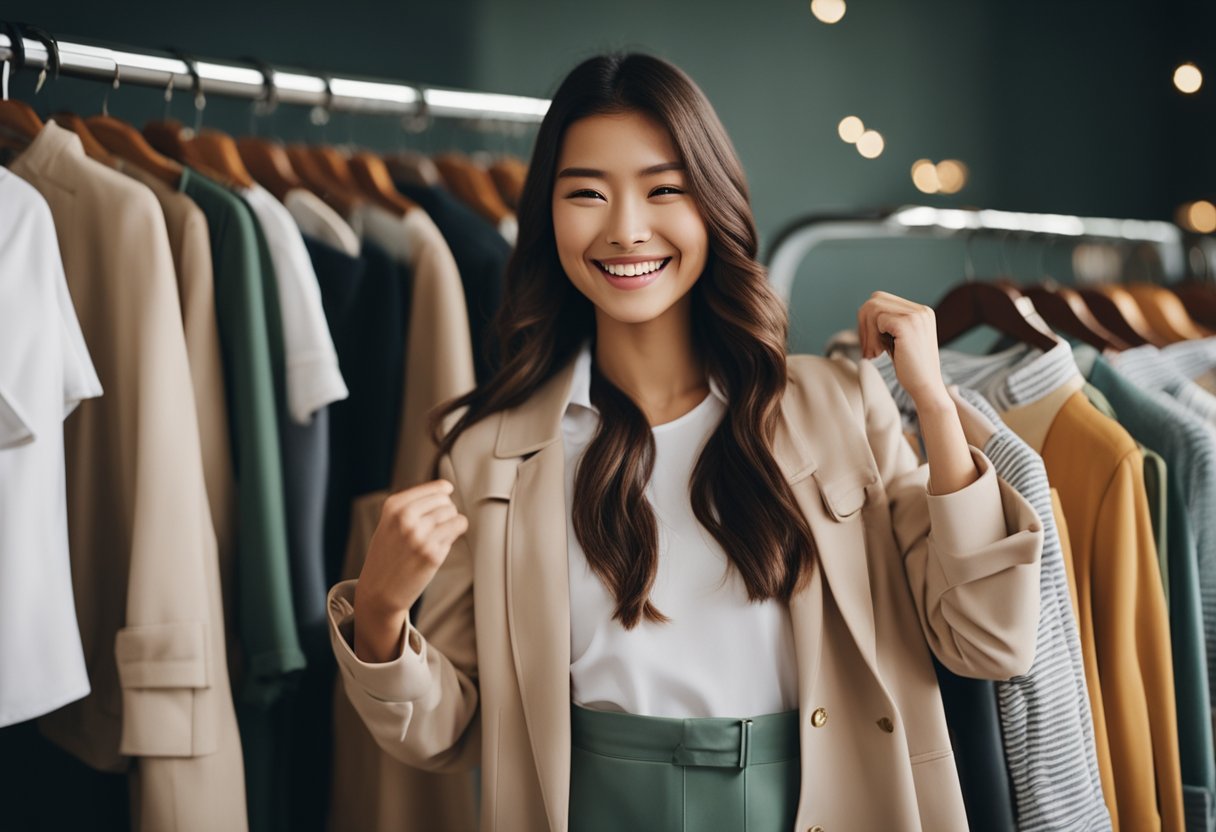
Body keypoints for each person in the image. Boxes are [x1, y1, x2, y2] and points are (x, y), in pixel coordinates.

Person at [328, 52, 1044, 831]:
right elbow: (450, 732)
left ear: (714, 203)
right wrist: (382, 618)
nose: (625, 228)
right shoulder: (492, 454)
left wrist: (935, 409)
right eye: (586, 194)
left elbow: (987, 643)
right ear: (548, 218)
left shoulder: (840, 407)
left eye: (663, 189)